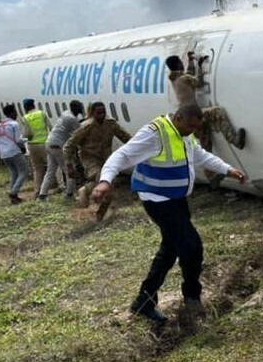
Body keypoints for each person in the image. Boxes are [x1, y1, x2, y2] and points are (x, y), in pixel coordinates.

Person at [91, 102, 246, 323]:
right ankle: (192, 297)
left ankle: (143, 302)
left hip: (176, 199)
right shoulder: (155, 133)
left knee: (171, 249)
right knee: (192, 247)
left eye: (196, 127)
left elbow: (199, 154)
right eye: (190, 126)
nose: (193, 131)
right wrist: (106, 180)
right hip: (158, 201)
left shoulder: (184, 133)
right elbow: (122, 155)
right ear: (179, 118)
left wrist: (227, 169)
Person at [63, 101, 132, 220]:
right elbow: (69, 145)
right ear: (93, 113)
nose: (102, 115)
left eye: (103, 112)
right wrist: (69, 164)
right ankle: (85, 191)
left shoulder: (110, 123)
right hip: (90, 158)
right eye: (98, 112)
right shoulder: (86, 126)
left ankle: (101, 213)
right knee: (101, 178)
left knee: (110, 186)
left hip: (106, 158)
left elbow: (125, 137)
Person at [166, 54, 246, 151]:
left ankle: (208, 163)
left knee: (206, 147)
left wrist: (191, 61)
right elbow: (198, 82)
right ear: (178, 64)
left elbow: (189, 75)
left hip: (186, 117)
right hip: (193, 114)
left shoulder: (176, 79)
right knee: (218, 112)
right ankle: (234, 140)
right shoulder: (184, 78)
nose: (182, 63)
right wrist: (199, 66)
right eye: (180, 62)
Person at [39, 100, 85, 201]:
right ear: (77, 109)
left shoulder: (65, 113)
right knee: (69, 170)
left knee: (50, 171)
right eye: (80, 109)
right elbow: (80, 132)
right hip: (58, 146)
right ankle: (70, 194)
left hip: (49, 142)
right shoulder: (72, 119)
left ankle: (42, 194)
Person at [0, 104, 29, 204]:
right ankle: (13, 193)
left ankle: (13, 194)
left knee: (14, 173)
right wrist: (28, 139)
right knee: (23, 172)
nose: (16, 114)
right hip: (14, 152)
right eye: (15, 112)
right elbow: (18, 140)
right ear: (11, 113)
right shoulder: (14, 124)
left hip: (4, 154)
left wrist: (0, 154)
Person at [22, 99, 52, 198]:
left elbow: (27, 134)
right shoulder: (42, 114)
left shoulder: (26, 118)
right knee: (52, 165)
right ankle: (61, 185)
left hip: (32, 145)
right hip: (44, 143)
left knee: (37, 169)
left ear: (26, 107)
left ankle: (37, 190)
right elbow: (50, 126)